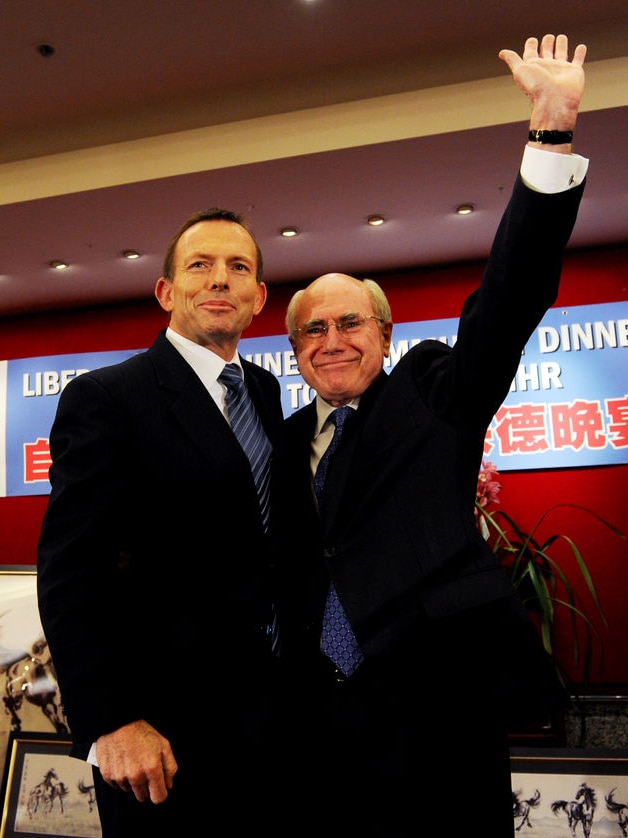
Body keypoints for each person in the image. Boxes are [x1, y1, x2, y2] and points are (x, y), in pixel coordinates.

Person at [274, 34, 588, 836]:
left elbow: (507, 302)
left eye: (351, 322)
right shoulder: (274, 443)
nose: (332, 338)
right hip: (314, 724)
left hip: (440, 708)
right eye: (312, 328)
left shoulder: (433, 394)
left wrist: (549, 135)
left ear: (386, 335)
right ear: (295, 352)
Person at [36, 208, 285, 836]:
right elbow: (71, 571)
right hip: (162, 736)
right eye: (200, 265)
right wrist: (109, 720)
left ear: (259, 298)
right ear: (167, 292)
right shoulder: (108, 398)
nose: (220, 280)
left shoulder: (262, 390)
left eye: (238, 267)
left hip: (271, 719)